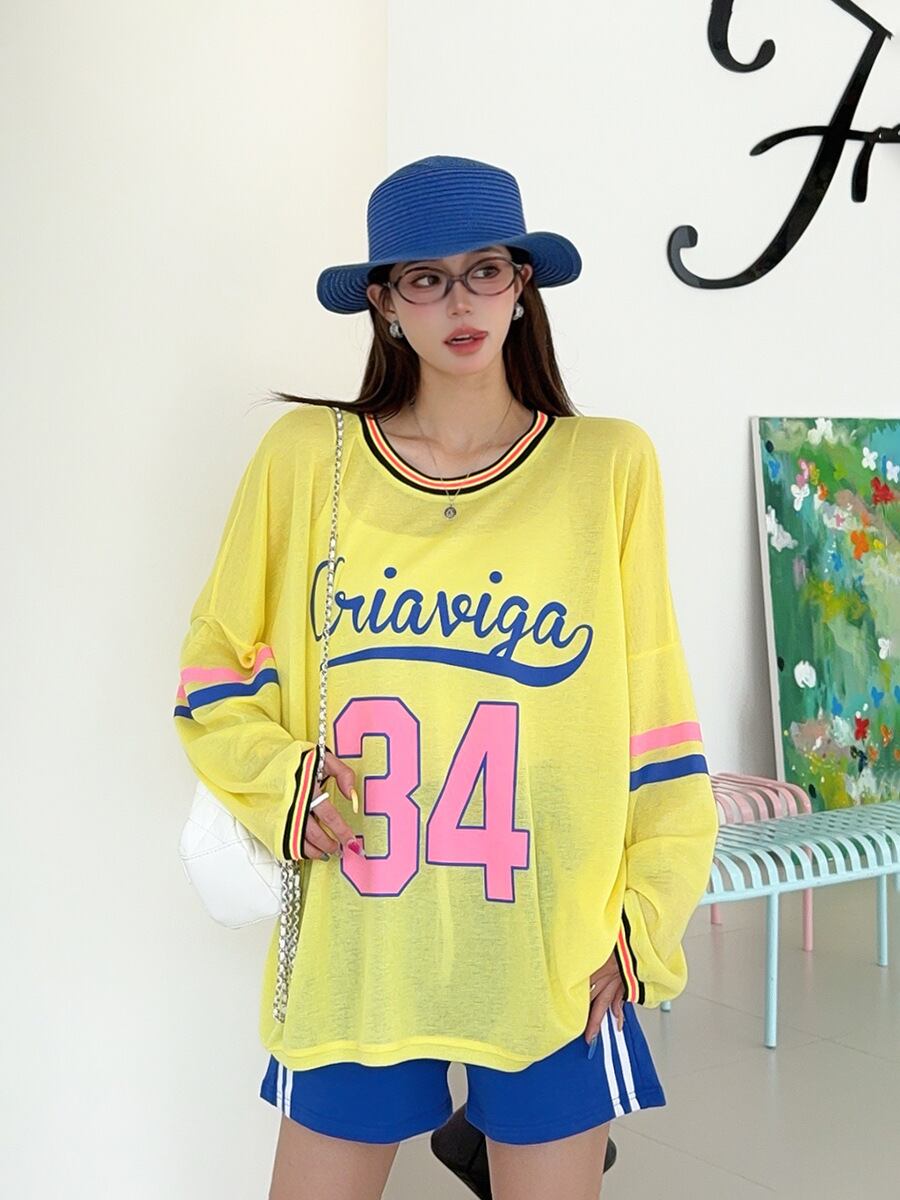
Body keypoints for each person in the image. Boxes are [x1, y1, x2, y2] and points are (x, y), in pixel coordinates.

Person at [172, 155, 719, 1200]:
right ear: (384, 302)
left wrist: (646, 915)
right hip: (360, 938)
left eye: (484, 271)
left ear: (522, 285)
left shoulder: (608, 466)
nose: (459, 302)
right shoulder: (307, 458)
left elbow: (656, 723)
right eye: (425, 279)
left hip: (552, 942)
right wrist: (283, 783)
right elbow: (214, 662)